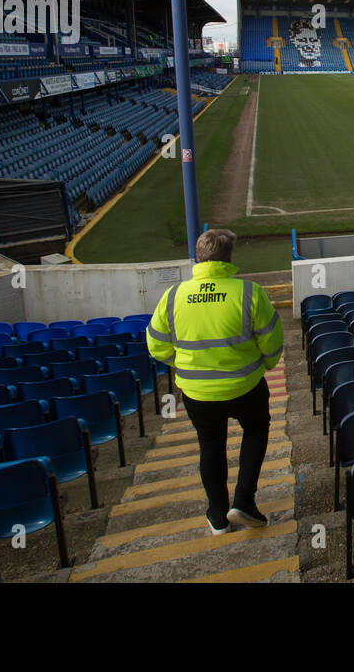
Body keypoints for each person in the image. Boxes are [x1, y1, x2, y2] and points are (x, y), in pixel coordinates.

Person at [146, 228, 284, 534]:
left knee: (209, 445)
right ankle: (243, 502)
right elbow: (272, 342)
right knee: (256, 431)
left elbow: (156, 345)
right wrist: (267, 364)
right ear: (229, 258)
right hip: (245, 387)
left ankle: (218, 517)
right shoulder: (248, 292)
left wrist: (184, 366)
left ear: (199, 257)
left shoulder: (173, 296)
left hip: (196, 394)